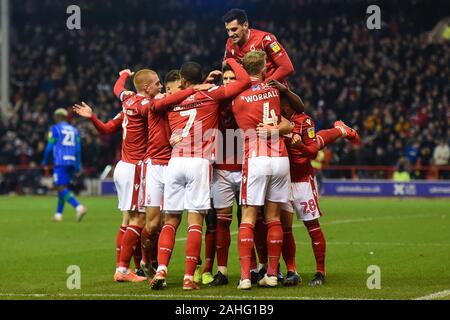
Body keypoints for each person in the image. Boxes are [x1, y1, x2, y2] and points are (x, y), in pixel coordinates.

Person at [150, 58, 251, 291]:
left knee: (171, 220)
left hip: (175, 162)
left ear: (182, 80)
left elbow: (155, 107)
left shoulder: (171, 100)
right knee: (195, 222)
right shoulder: (212, 95)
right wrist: (231, 61)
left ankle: (161, 269)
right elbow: (244, 81)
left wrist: (191, 88)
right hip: (199, 162)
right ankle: (188, 278)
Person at [231, 51, 292, 290]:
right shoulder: (275, 90)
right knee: (273, 217)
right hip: (280, 158)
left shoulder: (238, 95)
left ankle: (246, 277)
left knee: (248, 217)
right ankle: (273, 275)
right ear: (265, 69)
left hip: (256, 158)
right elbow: (287, 122)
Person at [223, 8, 294, 83]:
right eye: (228, 30)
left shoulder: (265, 40)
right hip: (247, 91)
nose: (230, 34)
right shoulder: (229, 44)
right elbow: (226, 69)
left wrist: (263, 86)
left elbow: (287, 67)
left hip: (271, 89)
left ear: (245, 25)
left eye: (234, 29)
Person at [41, 108, 87, 223]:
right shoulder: (74, 130)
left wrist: (45, 160)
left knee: (59, 187)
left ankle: (79, 207)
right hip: (71, 160)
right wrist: (77, 165)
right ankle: (58, 215)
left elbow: (50, 146)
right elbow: (78, 149)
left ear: (57, 117)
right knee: (62, 187)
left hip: (61, 161)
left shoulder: (55, 129)